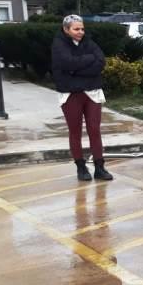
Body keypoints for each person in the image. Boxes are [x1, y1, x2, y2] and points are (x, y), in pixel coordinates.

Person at [51, 14, 113, 182]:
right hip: (71, 94)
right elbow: (67, 63)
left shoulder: (89, 42)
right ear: (66, 29)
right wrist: (87, 61)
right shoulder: (59, 45)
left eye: (82, 28)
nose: (80, 32)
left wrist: (76, 70)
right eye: (76, 29)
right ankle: (81, 167)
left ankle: (100, 167)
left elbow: (100, 62)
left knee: (94, 129)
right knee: (75, 131)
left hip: (92, 92)